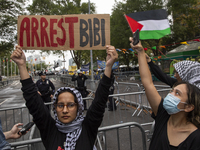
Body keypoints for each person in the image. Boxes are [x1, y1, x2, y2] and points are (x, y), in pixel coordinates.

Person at [11, 45, 118, 150]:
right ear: (55, 108)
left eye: (71, 105)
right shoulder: (49, 130)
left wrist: (108, 66)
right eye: (60, 105)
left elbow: (100, 99)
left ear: (78, 107)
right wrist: (21, 66)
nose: (65, 110)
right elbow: (33, 100)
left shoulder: (88, 127)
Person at [130, 38, 200, 150]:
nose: (170, 95)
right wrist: (140, 52)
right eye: (172, 90)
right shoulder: (163, 115)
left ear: (189, 106)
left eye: (177, 93)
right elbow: (148, 83)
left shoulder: (196, 138)